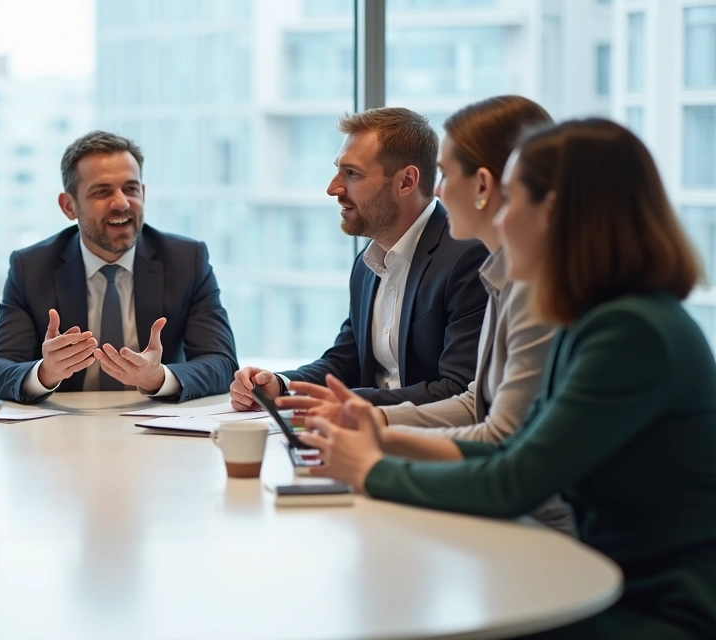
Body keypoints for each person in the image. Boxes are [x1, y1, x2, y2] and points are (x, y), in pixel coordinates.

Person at [294, 119, 716, 638]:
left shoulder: (629, 332)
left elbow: (515, 481)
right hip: (606, 581)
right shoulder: (591, 319)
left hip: (659, 605)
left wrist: (371, 470)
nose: (502, 215)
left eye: (513, 198)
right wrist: (382, 437)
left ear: (554, 212)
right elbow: (512, 449)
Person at [281, 96, 570, 533]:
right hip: (517, 510)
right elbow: (477, 404)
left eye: (448, 173)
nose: (437, 189)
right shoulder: (497, 273)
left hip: (546, 528)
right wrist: (367, 424)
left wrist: (373, 461)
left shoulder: (511, 277)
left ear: (484, 186)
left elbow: (499, 438)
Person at [230, 107, 489, 410]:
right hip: (364, 437)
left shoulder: (467, 257)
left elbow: (459, 391)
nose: (333, 188)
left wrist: (343, 404)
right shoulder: (366, 265)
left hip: (425, 446)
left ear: (406, 182)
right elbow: (346, 361)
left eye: (352, 173)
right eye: (339, 169)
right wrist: (279, 385)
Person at [0, 131, 238, 403]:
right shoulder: (31, 267)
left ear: (143, 193)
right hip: (65, 431)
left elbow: (222, 363)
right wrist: (45, 372)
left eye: (130, 189)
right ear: (69, 206)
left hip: (158, 428)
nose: (122, 203)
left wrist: (158, 377)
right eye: (102, 192)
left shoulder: (186, 260)